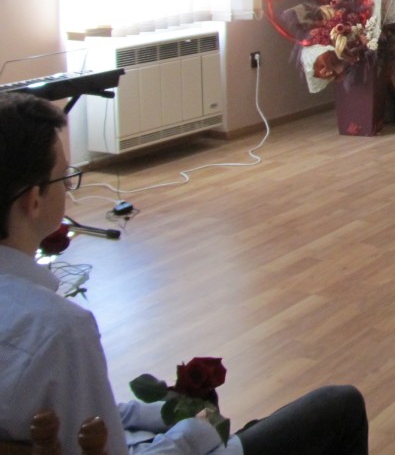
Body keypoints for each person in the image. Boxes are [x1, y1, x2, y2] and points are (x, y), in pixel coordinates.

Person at [0, 92, 369, 455]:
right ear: (34, 200)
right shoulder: (59, 331)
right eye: (65, 178)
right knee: (339, 407)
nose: (68, 187)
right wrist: (193, 432)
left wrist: (163, 413)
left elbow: (89, 415)